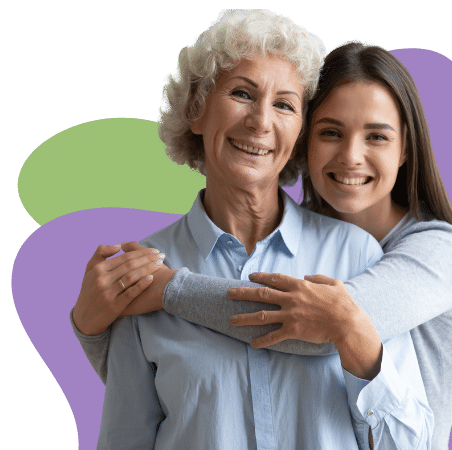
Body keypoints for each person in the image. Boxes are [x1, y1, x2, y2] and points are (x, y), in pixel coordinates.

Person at [73, 10, 433, 450]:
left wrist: (352, 336)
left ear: (300, 131)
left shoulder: (358, 257)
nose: (261, 122)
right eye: (242, 93)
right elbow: (125, 439)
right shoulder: (143, 271)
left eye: (284, 104)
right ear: (196, 111)